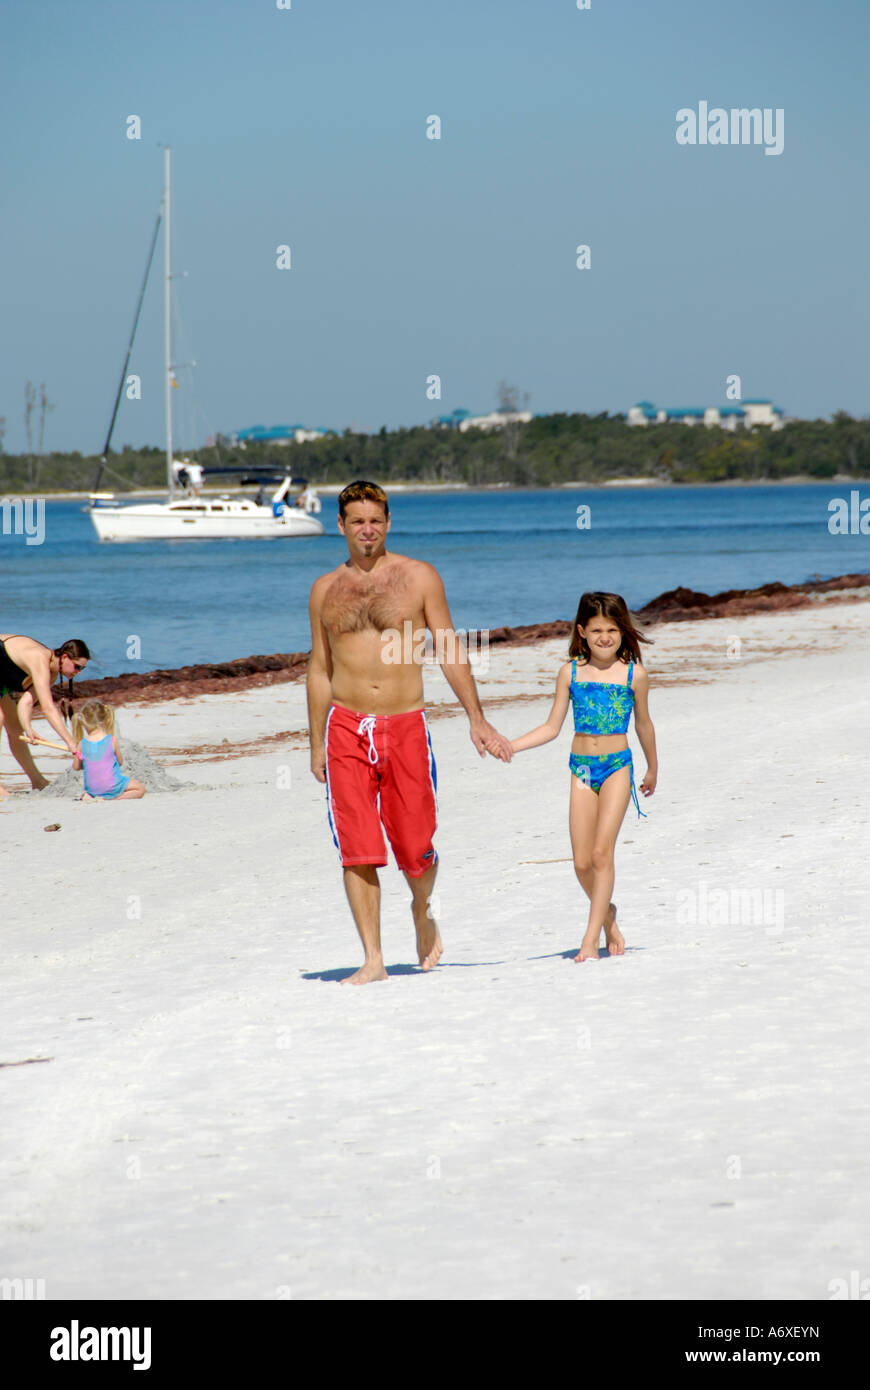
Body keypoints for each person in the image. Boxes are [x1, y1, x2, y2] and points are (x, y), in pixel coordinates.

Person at [307, 479, 512, 985]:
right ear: (340, 525)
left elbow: (448, 647)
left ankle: (423, 910)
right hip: (346, 726)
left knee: (416, 846)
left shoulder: (419, 577)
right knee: (356, 848)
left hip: (405, 725)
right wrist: (315, 742)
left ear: (389, 522)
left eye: (375, 520)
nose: (367, 529)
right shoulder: (324, 590)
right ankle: (373, 958)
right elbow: (319, 667)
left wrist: (476, 717)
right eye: (357, 521)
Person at [510, 592, 657, 962]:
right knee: (580, 862)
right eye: (596, 630)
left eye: (612, 629)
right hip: (581, 769)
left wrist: (653, 767)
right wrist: (511, 746)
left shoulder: (634, 675)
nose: (604, 637)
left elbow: (643, 724)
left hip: (617, 767)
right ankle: (606, 914)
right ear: (582, 632)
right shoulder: (570, 672)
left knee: (601, 853)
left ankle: (589, 941)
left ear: (623, 631)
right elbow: (550, 727)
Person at [0, 635, 89, 796]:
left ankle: (37, 780)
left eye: (82, 669)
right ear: (65, 657)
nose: (78, 672)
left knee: (16, 728)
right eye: (77, 667)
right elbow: (48, 708)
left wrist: (28, 728)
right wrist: (70, 742)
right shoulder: (40, 659)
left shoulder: (51, 674)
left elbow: (26, 703)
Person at [71, 700, 145, 801]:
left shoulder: (82, 744)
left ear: (84, 722)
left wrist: (77, 754)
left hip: (92, 789)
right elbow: (120, 762)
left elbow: (76, 767)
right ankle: (113, 798)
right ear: (107, 720)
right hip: (111, 786)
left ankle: (91, 796)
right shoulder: (111, 740)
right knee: (140, 788)